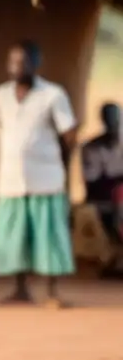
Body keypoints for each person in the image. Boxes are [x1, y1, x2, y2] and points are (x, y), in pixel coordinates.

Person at [0, 40, 77, 307]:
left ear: (36, 64)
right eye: (12, 61)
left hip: (46, 178)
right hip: (10, 179)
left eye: (23, 61)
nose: (16, 67)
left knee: (48, 236)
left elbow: (68, 136)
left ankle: (52, 291)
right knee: (14, 237)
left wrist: (62, 169)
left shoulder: (53, 95)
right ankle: (20, 289)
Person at [76, 102, 123, 275]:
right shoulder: (91, 147)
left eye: (116, 119)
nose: (114, 124)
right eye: (110, 119)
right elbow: (93, 181)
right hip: (104, 198)